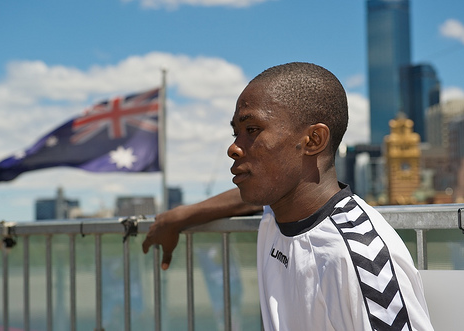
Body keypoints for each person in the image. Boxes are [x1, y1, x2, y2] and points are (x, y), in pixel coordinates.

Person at [142, 62, 433, 330]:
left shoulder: (358, 259)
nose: (233, 147)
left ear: (313, 140)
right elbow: (241, 199)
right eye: (236, 132)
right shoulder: (277, 212)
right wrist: (179, 217)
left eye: (252, 129)